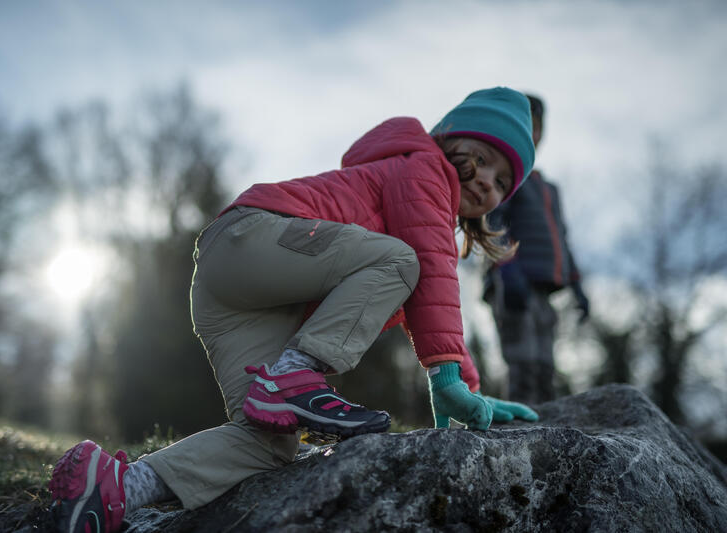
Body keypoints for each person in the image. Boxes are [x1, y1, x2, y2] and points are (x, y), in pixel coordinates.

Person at [48, 87, 541, 533]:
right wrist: (447, 378)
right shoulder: (422, 167)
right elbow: (431, 268)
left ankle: (114, 488)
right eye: (481, 159)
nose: (488, 185)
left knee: (267, 442)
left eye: (502, 183)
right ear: (448, 139)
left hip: (240, 296)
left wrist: (472, 390)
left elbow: (427, 300)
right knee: (400, 260)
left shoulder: (429, 210)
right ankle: (295, 376)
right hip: (254, 236)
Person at [483, 94, 589, 405]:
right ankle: (518, 432)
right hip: (512, 282)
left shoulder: (548, 188)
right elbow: (493, 223)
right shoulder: (506, 177)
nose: (534, 133)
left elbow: (563, 239)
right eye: (526, 125)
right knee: (523, 361)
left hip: (545, 289)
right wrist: (507, 268)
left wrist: (577, 285)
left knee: (545, 366)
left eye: (538, 127)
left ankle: (547, 430)